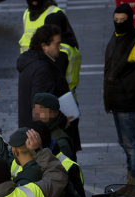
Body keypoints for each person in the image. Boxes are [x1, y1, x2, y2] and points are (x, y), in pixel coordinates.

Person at [103, 3, 135, 193]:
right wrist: (108, 99)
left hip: (129, 104)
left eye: (123, 20)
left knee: (131, 145)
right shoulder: (116, 38)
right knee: (125, 143)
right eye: (116, 20)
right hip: (118, 103)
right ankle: (131, 180)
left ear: (130, 20)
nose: (119, 23)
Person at [17, 24, 70, 127]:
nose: (60, 47)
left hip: (31, 129)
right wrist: (62, 120)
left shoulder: (31, 62)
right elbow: (42, 106)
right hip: (41, 133)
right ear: (44, 46)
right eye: (57, 44)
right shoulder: (43, 69)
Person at [44, 12, 82, 153]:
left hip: (62, 102)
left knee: (64, 147)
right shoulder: (72, 45)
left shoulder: (61, 51)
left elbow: (54, 78)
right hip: (72, 99)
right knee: (71, 143)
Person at [33, 93, 76, 161]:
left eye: (41, 110)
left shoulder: (60, 143)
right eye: (35, 109)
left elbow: (62, 169)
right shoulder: (35, 131)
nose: (36, 114)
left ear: (54, 113)